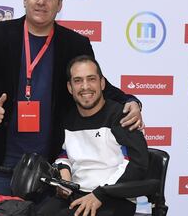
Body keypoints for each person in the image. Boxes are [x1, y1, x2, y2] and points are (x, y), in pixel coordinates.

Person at [0, 0, 144, 198]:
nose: (41, 1)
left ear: (59, 4)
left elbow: (95, 86)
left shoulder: (75, 43)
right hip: (0, 162)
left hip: (52, 167)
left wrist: (131, 101)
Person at [37, 56, 148, 216]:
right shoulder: (67, 118)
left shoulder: (122, 115)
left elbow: (138, 163)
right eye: (78, 81)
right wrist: (64, 173)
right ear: (70, 87)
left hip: (115, 197)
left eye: (91, 79)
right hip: (78, 193)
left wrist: (100, 194)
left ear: (102, 83)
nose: (85, 86)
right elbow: (65, 153)